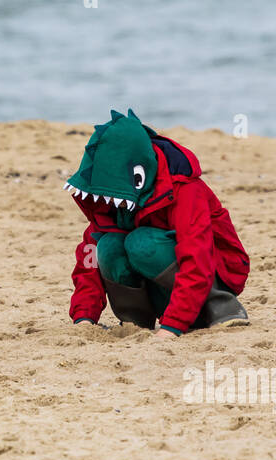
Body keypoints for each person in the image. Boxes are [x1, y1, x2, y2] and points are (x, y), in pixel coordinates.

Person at [65, 110, 250, 338]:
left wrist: (173, 327)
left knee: (140, 242)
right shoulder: (111, 202)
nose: (110, 202)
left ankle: (221, 306)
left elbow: (197, 256)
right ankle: (136, 323)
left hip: (214, 274)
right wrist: (84, 316)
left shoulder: (185, 189)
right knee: (108, 245)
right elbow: (89, 260)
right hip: (166, 288)